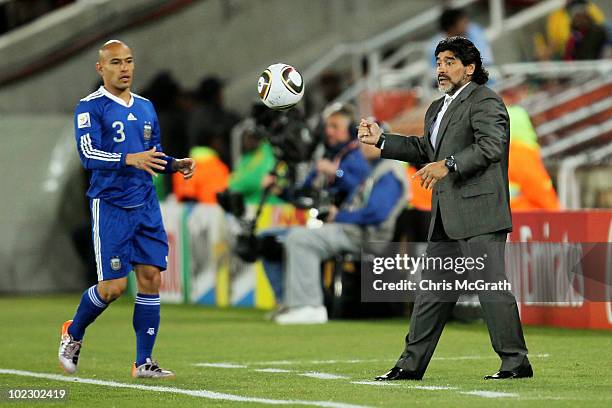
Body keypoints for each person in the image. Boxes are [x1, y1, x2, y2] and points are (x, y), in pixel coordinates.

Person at [358, 36, 532, 381]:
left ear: (470, 68)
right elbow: (425, 149)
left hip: (480, 212)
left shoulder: (486, 101)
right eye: (438, 62)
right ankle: (410, 365)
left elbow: (491, 146)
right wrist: (382, 140)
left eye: (450, 62)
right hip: (447, 216)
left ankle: (515, 362)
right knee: (432, 292)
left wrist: (448, 164)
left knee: (490, 288)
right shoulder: (438, 108)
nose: (441, 69)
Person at [58, 40, 196, 379]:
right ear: (100, 68)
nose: (125, 68)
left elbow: (153, 152)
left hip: (145, 204)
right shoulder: (89, 107)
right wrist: (127, 158)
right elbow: (88, 155)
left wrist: (175, 164)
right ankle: (73, 332)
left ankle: (143, 362)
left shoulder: (146, 107)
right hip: (111, 207)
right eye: (116, 62)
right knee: (113, 289)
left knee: (151, 278)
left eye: (129, 61)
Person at [275, 142, 407, 324]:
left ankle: (309, 307)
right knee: (291, 236)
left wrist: (340, 216)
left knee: (300, 239)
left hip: (367, 235)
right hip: (354, 230)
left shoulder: (390, 171)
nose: (364, 146)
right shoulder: (375, 169)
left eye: (371, 141)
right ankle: (294, 304)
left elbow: (377, 213)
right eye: (363, 142)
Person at [260, 104, 370, 306]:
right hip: (319, 222)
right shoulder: (325, 158)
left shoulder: (358, 156)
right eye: (328, 126)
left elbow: (363, 186)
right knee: (266, 240)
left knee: (297, 240)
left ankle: (306, 304)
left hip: (345, 225)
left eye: (335, 126)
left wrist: (337, 173)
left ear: (351, 129)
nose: (329, 131)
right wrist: (280, 190)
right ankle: (284, 300)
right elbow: (304, 193)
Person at [428, 8, 493, 70]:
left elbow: (486, 60)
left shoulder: (474, 30)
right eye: (462, 22)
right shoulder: (435, 49)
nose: (467, 24)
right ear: (452, 27)